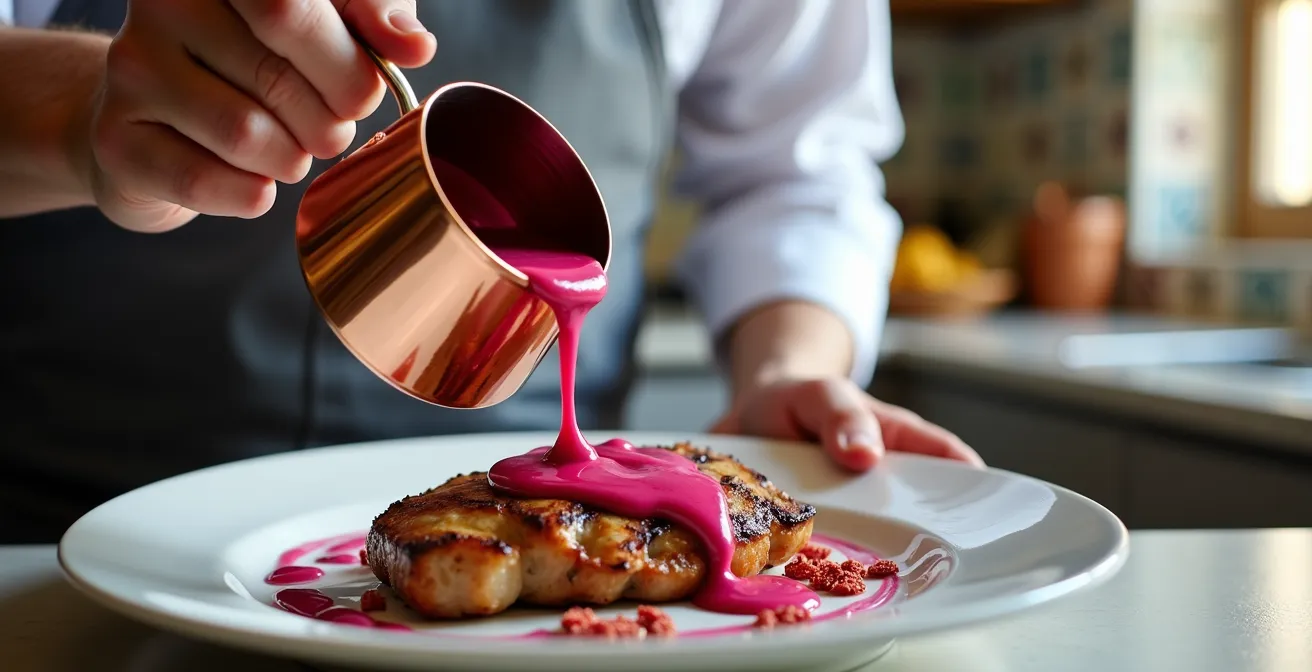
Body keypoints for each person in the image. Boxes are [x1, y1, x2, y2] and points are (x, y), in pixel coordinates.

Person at [0, 0, 981, 543]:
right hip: (56, 542)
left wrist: (784, 368)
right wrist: (79, 115)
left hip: (568, 545)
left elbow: (794, 169)